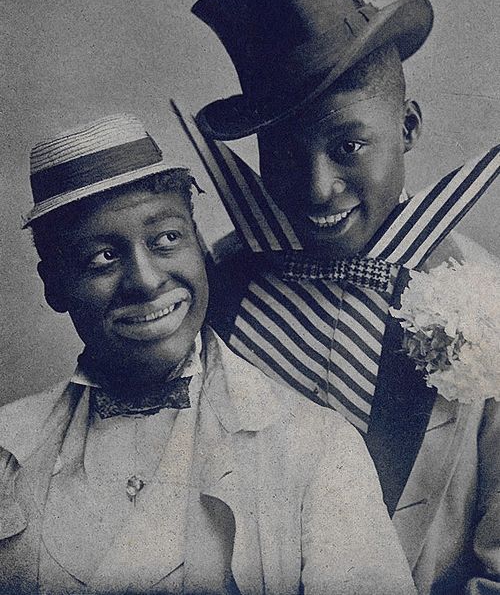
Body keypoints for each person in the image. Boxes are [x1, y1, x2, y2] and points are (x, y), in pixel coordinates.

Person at [187, 0, 500, 594]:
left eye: (349, 144)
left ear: (408, 127)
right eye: (285, 153)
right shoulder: (218, 286)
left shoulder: (483, 299)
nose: (317, 187)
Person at [0, 114, 416, 595]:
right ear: (54, 285)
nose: (147, 280)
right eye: (102, 258)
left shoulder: (314, 446)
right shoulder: (9, 447)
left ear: (199, 246)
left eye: (166, 241)